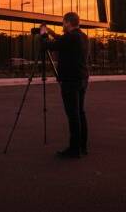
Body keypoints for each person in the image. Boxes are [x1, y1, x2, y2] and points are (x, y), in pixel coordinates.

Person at [39, 12, 89, 159]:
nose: (62, 25)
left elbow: (47, 46)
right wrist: (51, 32)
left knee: (73, 115)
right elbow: (62, 41)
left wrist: (43, 34)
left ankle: (74, 150)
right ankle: (82, 146)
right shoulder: (82, 36)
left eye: (63, 22)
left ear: (68, 22)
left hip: (70, 81)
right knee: (80, 113)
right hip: (82, 79)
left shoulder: (70, 37)